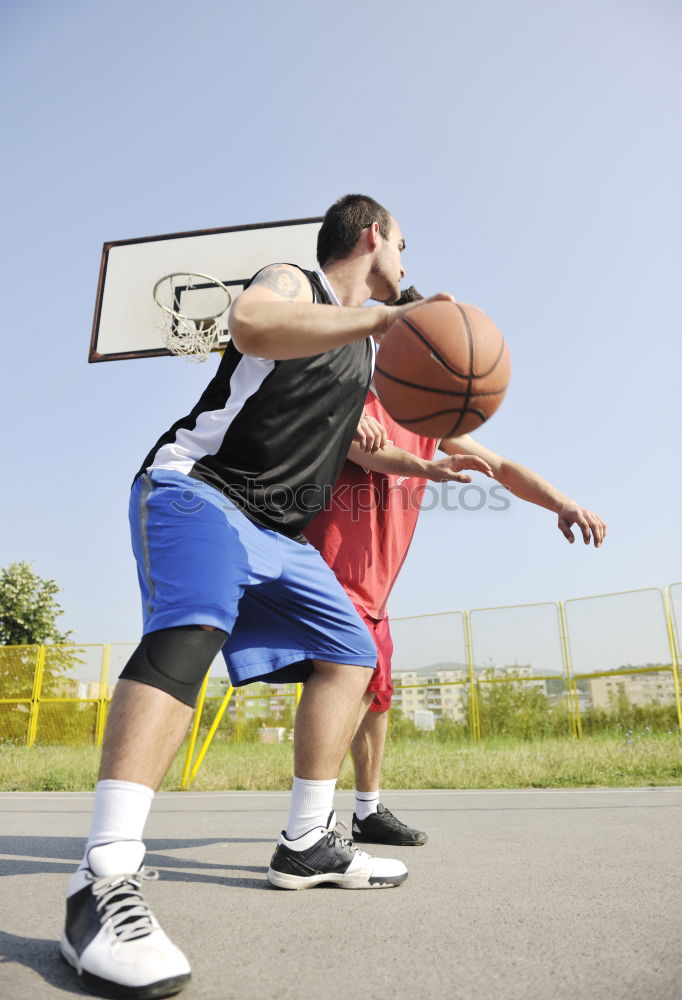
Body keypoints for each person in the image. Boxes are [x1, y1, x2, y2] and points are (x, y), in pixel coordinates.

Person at [60, 196, 452, 1000]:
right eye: (404, 244)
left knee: (350, 651)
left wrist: (431, 468)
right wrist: (375, 321)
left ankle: (308, 841)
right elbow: (251, 325)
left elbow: (355, 451)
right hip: (199, 491)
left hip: (280, 535)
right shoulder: (294, 283)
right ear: (372, 235)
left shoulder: (357, 359)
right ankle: (100, 880)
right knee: (192, 623)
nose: (407, 261)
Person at [304, 286, 607, 847]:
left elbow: (501, 467)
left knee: (376, 695)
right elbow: (364, 451)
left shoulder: (422, 412)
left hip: (377, 582)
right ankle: (311, 823)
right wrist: (430, 467)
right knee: (346, 683)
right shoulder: (350, 389)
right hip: (330, 569)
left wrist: (562, 501)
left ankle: (366, 811)